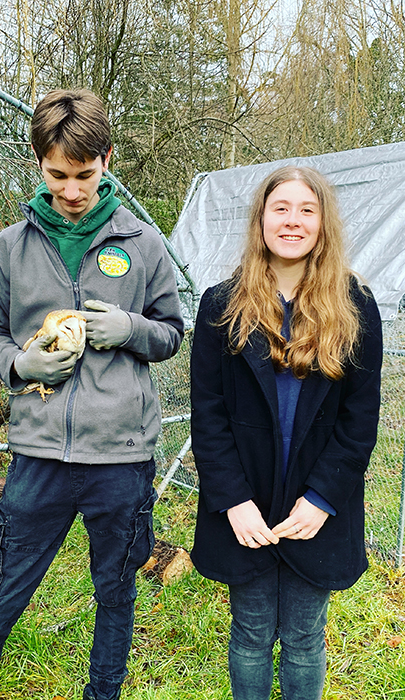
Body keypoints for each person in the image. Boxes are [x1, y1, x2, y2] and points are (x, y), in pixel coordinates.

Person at [0, 89, 184, 700]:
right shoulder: (10, 247)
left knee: (115, 593)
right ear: (39, 163)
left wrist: (131, 330)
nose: (72, 190)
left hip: (121, 457)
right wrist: (19, 363)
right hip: (39, 456)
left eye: (84, 174)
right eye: (57, 175)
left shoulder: (142, 243)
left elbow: (171, 333)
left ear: (107, 159)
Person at [190, 166, 382, 700]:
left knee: (303, 637)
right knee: (250, 633)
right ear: (261, 219)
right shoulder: (221, 305)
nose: (292, 221)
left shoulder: (356, 308)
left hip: (314, 508)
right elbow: (208, 416)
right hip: (245, 505)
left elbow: (360, 419)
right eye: (281, 208)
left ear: (323, 224)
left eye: (306, 210)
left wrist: (322, 499)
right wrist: (233, 501)